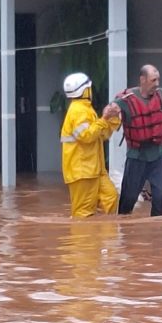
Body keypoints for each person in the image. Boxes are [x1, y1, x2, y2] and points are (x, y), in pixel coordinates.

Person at [109, 64, 162, 216]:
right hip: (136, 156)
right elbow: (110, 110)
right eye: (153, 80)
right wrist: (110, 111)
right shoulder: (125, 100)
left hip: (158, 154)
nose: (157, 84)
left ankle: (158, 235)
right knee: (128, 200)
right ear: (143, 80)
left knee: (160, 199)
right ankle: (125, 234)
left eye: (158, 80)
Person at [60, 72, 121, 218]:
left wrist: (112, 119)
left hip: (95, 169)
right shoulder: (78, 111)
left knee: (110, 198)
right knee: (83, 214)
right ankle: (85, 240)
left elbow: (100, 134)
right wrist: (104, 118)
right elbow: (86, 136)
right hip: (82, 172)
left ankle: (106, 238)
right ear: (85, 90)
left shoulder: (86, 110)